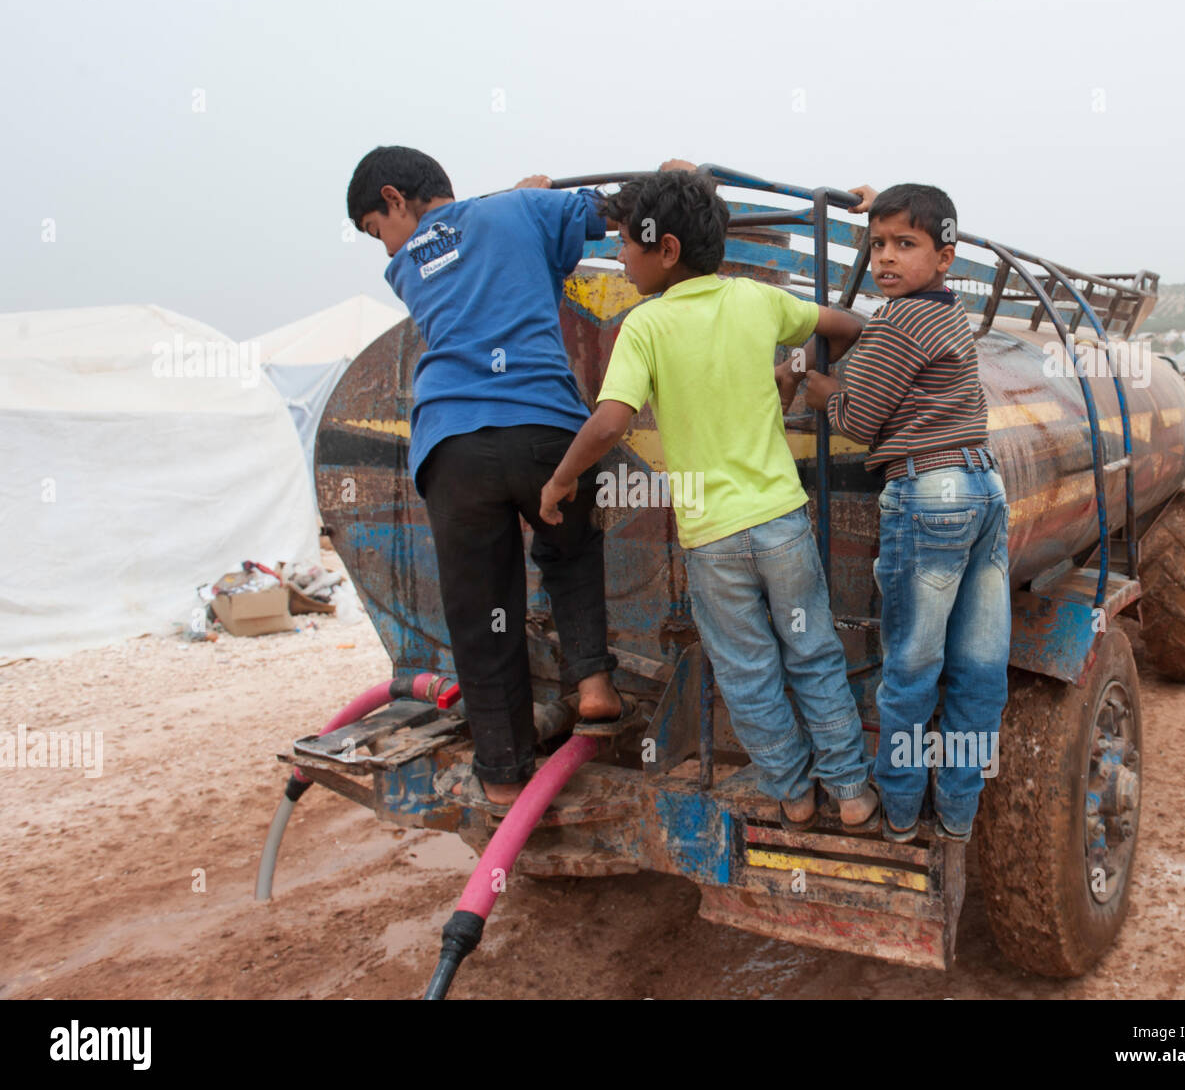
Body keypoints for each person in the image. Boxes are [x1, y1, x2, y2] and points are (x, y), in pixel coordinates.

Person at [538, 169, 877, 832]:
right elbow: (849, 324)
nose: (621, 257)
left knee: (748, 670)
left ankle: (794, 793)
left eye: (628, 245)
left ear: (664, 249)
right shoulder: (757, 301)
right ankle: (854, 793)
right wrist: (796, 370)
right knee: (812, 653)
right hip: (782, 524)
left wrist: (560, 479)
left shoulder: (645, 326)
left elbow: (610, 421)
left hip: (714, 541)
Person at [346, 145, 624, 810]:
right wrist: (543, 199)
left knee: (481, 611)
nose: (381, 247)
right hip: (545, 430)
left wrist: (520, 200)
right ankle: (594, 687)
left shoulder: (408, 266)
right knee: (569, 549)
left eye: (373, 228)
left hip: (454, 445)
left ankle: (502, 774)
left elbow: (471, 246)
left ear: (392, 199)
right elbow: (611, 215)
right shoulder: (522, 211)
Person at [802, 182, 1011, 843]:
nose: (886, 259)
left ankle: (896, 812)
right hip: (982, 487)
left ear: (945, 257)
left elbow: (859, 418)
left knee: (911, 672)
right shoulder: (951, 316)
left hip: (930, 495)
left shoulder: (897, 320)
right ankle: (956, 813)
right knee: (979, 669)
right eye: (878, 244)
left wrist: (808, 387)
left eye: (905, 245)